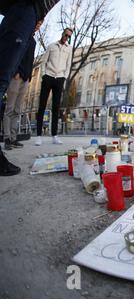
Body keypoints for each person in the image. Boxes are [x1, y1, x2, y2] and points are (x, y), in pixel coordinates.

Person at [0, 0, 61, 176]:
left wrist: (40, 16)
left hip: (31, 13)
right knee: (3, 86)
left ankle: (11, 138)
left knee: (15, 108)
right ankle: (8, 138)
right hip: (26, 9)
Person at [3, 20, 43, 150]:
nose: (37, 26)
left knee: (17, 110)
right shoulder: (20, 35)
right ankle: (7, 138)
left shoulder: (33, 41)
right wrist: (15, 71)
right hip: (16, 76)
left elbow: (30, 59)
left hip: (26, 78)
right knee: (9, 109)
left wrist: (29, 75)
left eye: (39, 25)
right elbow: (13, 54)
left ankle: (14, 138)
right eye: (36, 23)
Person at [35, 27, 73, 146]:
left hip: (59, 79)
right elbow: (44, 62)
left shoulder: (69, 49)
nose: (66, 38)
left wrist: (64, 77)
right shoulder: (52, 46)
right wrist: (44, 75)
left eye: (69, 36)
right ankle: (39, 136)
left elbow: (68, 64)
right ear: (62, 34)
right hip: (48, 77)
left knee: (56, 107)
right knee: (42, 105)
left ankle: (54, 135)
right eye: (66, 35)